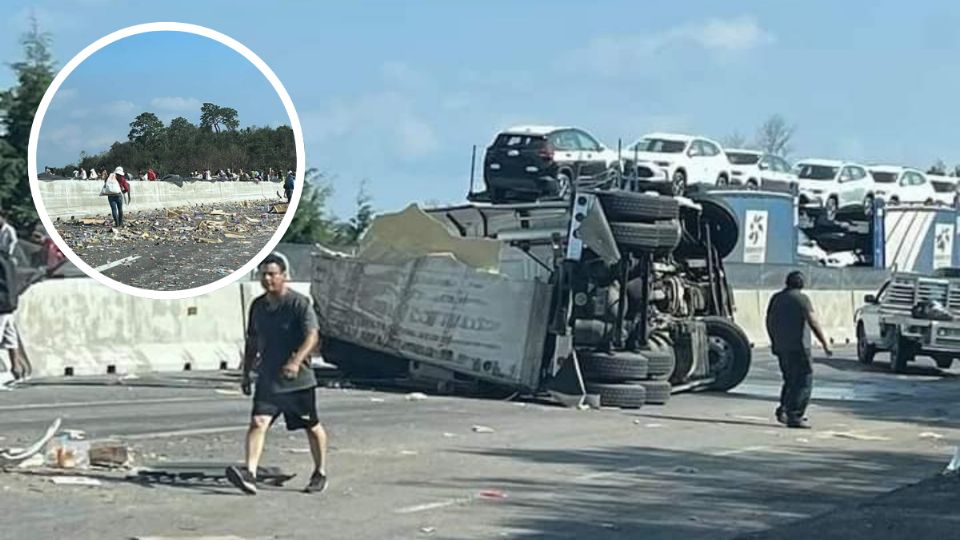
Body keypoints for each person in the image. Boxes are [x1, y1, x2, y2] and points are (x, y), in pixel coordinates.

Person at [226, 254, 328, 495]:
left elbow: (312, 336)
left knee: (311, 426)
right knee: (258, 422)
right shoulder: (258, 306)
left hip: (297, 381)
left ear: (284, 276)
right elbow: (252, 341)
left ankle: (320, 472)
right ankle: (249, 473)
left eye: (272, 274)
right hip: (268, 378)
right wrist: (245, 373)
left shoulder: (298, 304)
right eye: (263, 274)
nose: (268, 279)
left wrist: (295, 362)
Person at [765, 271, 832, 429]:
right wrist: (825, 343)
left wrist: (774, 340)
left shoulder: (776, 298)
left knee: (789, 379)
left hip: (782, 346)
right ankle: (795, 415)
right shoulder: (801, 299)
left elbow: (769, 320)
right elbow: (813, 321)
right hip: (799, 347)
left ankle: (784, 410)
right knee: (804, 380)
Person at [0, 214, 23, 381]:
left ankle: (14, 368)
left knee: (8, 334)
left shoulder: (4, 262)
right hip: (8, 303)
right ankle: (17, 368)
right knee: (10, 336)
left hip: (2, 304)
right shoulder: (7, 264)